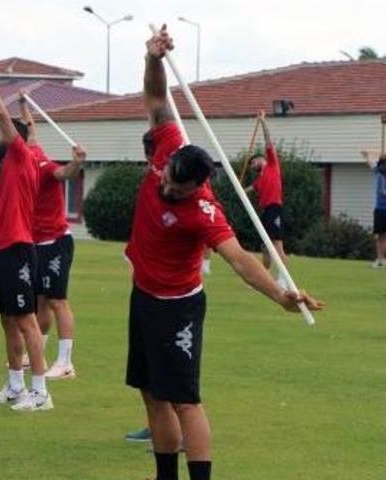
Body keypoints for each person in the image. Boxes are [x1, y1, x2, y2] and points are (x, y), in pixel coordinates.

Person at [128, 26, 323, 480]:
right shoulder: (170, 147)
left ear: (197, 186)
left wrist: (280, 295)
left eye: (177, 188)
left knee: (184, 400)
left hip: (177, 306)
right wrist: (153, 57)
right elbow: (156, 98)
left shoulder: (203, 211)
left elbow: (239, 260)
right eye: (165, 179)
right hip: (143, 295)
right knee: (151, 394)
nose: (166, 188)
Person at [0, 58, 50, 412]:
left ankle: (41, 392)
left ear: (12, 137)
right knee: (8, 320)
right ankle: (16, 385)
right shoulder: (9, 170)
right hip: (1, 248)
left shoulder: (20, 155)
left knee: (26, 320)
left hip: (17, 248)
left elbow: (3, 115)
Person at [17, 90, 86, 380]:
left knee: (57, 300)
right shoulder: (26, 154)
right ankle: (37, 355)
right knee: (41, 301)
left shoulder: (41, 164)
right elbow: (31, 128)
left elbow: (64, 174)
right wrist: (23, 104)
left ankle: (66, 363)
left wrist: (77, 163)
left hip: (56, 241)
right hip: (37, 243)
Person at [245, 110, 289, 287]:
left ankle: (284, 279)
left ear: (260, 159)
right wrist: (239, 190)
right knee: (265, 248)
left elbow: (268, 140)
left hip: (274, 208)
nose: (252, 166)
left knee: (277, 245)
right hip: (265, 212)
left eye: (253, 163)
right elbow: (247, 190)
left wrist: (263, 122)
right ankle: (263, 279)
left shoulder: (272, 164)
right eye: (251, 165)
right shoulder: (259, 179)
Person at [360, 149, 386, 267]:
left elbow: (382, 192)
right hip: (380, 209)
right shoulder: (379, 172)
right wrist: (367, 156)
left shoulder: (379, 172)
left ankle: (381, 259)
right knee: (381, 236)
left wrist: (367, 156)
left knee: (381, 236)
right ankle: (381, 259)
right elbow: (371, 164)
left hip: (381, 209)